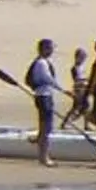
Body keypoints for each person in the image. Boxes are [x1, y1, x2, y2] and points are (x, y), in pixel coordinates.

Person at [24, 37, 62, 167]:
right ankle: (44, 157)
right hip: (44, 96)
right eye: (50, 48)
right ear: (44, 49)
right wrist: (62, 89)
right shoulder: (41, 63)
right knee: (46, 127)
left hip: (45, 95)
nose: (52, 51)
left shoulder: (43, 62)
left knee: (46, 127)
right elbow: (47, 78)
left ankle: (42, 154)